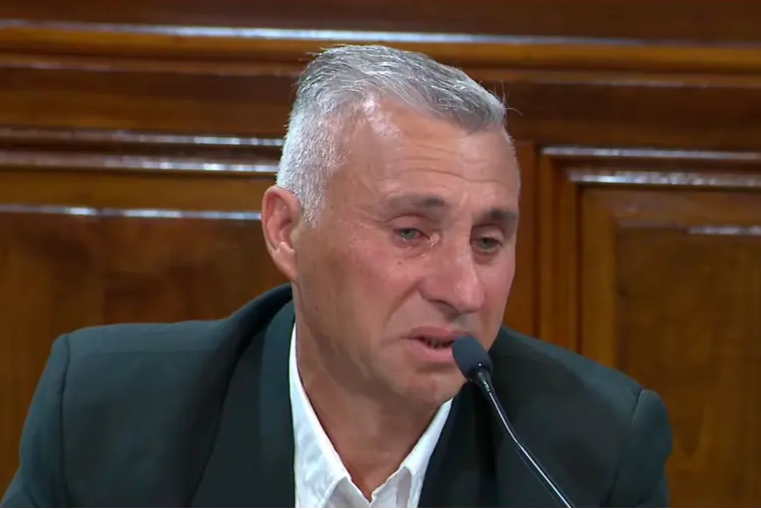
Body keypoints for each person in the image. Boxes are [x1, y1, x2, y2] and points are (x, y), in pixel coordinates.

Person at [1, 44, 672, 508]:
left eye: (487, 241)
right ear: (286, 230)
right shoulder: (111, 415)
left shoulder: (592, 451)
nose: (464, 291)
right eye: (411, 233)